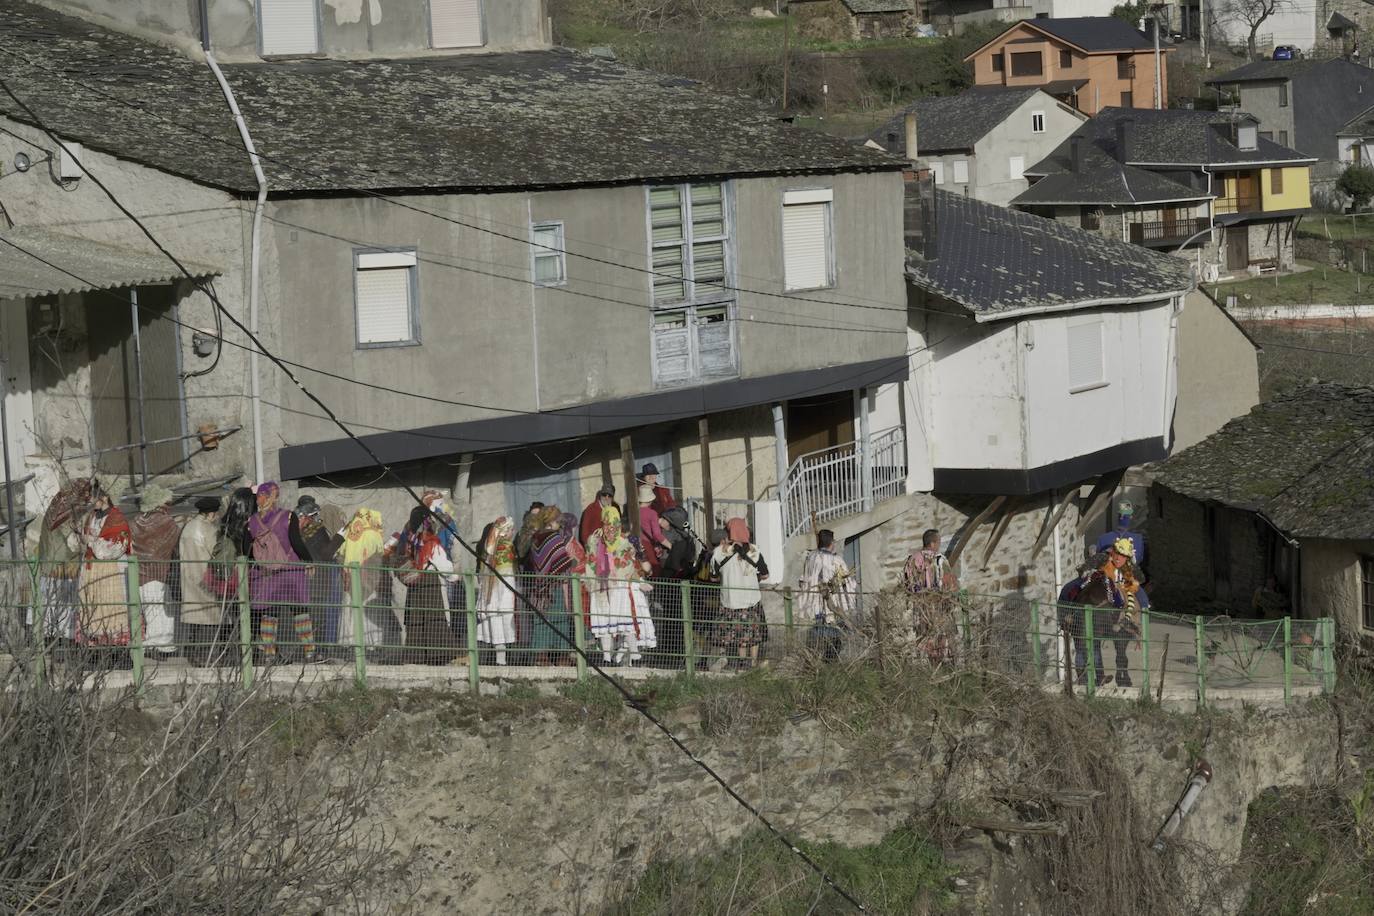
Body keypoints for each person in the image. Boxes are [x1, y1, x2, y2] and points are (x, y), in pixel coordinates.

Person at [1061, 538, 1146, 688]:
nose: (1119, 558)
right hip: (1100, 580)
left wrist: (1132, 570)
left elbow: (1142, 578)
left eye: (1123, 556)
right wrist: (1088, 569)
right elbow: (1087, 565)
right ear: (1113, 551)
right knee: (1070, 587)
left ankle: (1133, 622)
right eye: (1118, 554)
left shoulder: (1128, 565)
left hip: (1122, 587)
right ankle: (1067, 613)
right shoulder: (1104, 557)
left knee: (1142, 601)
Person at [247, 482, 316, 663]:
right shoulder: (288, 516)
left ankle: (268, 654)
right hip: (292, 571)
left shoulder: (252, 521)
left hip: (267, 574)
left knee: (269, 614)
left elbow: (248, 549)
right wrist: (309, 561)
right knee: (300, 612)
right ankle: (310, 652)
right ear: (275, 496)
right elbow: (296, 542)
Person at [585, 506, 654, 665]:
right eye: (609, 523)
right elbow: (630, 568)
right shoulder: (599, 541)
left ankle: (614, 657)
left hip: (607, 586)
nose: (611, 528)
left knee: (616, 622)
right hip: (609, 587)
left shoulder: (599, 541)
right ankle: (624, 657)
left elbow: (627, 567)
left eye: (614, 524)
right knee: (617, 621)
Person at [29, 477, 93, 647]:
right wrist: (85, 547)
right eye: (86, 491)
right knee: (65, 604)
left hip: (47, 563)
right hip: (64, 565)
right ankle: (64, 641)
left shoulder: (55, 506)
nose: (88, 496)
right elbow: (72, 540)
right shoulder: (70, 510)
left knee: (48, 603)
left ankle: (46, 638)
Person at [398, 506, 463, 665]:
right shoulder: (431, 542)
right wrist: (455, 575)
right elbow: (444, 566)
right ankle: (439, 656)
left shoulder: (411, 541)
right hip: (430, 584)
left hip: (415, 585)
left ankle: (416, 657)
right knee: (434, 619)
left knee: (417, 621)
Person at [75, 479, 133, 655]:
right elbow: (85, 541)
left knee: (112, 609)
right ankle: (94, 653)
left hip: (111, 570)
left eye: (95, 497)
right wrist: (80, 537)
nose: (92, 501)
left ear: (106, 497)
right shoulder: (91, 516)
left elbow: (114, 547)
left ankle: (117, 654)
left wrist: (91, 541)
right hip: (92, 569)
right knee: (92, 608)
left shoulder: (117, 518)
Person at [709, 517, 770, 671]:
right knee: (752, 633)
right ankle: (753, 662)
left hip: (730, 600)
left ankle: (741, 662)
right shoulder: (755, 551)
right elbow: (765, 575)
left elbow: (713, 577)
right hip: (751, 599)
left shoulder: (718, 552)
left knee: (738, 632)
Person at [129, 484, 181, 656]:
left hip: (138, 575)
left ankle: (150, 646)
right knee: (163, 613)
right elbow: (176, 545)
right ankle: (162, 648)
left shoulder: (135, 521)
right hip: (159, 574)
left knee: (148, 612)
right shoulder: (166, 522)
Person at [179, 496, 231, 665]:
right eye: (215, 514)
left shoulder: (187, 527)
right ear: (211, 514)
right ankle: (208, 657)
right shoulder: (208, 529)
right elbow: (216, 553)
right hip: (207, 578)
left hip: (189, 578)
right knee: (210, 617)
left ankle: (195, 656)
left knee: (195, 618)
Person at [526, 508, 581, 665]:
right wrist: (573, 562)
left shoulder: (536, 538)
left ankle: (541, 658)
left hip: (539, 588)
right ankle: (562, 658)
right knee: (560, 621)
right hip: (554, 587)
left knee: (542, 622)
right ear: (551, 522)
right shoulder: (554, 538)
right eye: (558, 521)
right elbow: (562, 561)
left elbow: (540, 562)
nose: (559, 524)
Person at [296, 494, 345, 652]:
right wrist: (340, 537)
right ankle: (319, 651)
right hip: (319, 581)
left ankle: (309, 651)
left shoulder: (296, 531)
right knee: (318, 618)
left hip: (300, 581)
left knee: (305, 618)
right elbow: (326, 554)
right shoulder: (317, 531)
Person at [477, 516, 518, 665]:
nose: (513, 532)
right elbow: (508, 575)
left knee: (496, 629)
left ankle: (498, 661)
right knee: (505, 629)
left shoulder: (488, 549)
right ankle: (504, 663)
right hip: (502, 594)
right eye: (511, 529)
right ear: (505, 531)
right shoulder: (506, 547)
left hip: (490, 595)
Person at [797, 529, 855, 626]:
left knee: (819, 628)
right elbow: (847, 580)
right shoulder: (835, 560)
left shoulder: (811, 557)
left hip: (813, 601)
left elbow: (804, 578)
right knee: (833, 628)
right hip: (831, 601)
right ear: (831, 543)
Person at [1095, 499, 1146, 574]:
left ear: (1118, 517)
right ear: (1130, 517)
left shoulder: (1103, 538)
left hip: (1111, 578)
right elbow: (1139, 560)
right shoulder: (1138, 539)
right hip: (1127, 579)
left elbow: (1098, 561)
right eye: (1127, 516)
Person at [901, 529, 953, 595]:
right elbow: (948, 584)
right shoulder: (940, 559)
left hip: (915, 600)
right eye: (938, 542)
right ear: (932, 544)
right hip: (936, 601)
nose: (939, 545)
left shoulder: (911, 559)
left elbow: (906, 581)